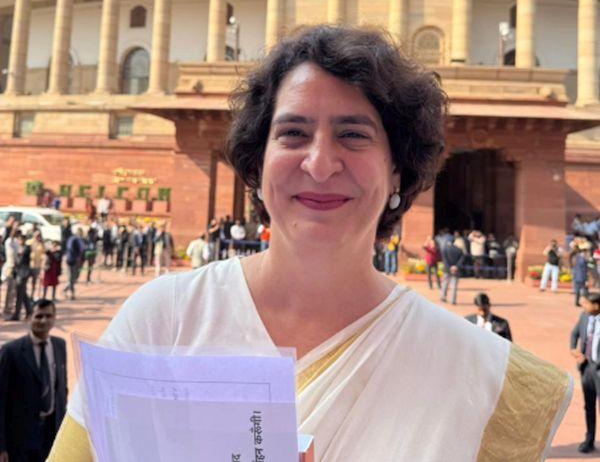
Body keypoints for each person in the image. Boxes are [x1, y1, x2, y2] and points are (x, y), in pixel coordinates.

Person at [50, 25, 571, 461]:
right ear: (256, 166)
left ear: (397, 171)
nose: (320, 163)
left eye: (354, 134)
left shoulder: (482, 380)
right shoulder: (164, 321)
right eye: (293, 134)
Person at [0, 299, 68, 461]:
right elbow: (1, 399)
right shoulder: (11, 351)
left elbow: (61, 388)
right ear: (29, 317)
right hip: (20, 438)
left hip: (51, 433)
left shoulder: (60, 346)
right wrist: (1, 446)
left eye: (48, 316)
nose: (43, 320)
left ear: (54, 318)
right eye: (38, 316)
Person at [571, 293, 600, 453]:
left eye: (587, 304)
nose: (584, 306)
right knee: (589, 406)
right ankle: (589, 439)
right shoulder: (584, 316)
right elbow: (574, 333)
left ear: (596, 305)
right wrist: (574, 349)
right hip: (586, 369)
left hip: (599, 368)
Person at [6, 233, 32, 321]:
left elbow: (22, 259)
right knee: (23, 293)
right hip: (18, 272)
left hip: (23, 273)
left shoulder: (27, 248)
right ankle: (29, 311)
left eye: (21, 239)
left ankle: (17, 314)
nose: (20, 241)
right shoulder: (18, 248)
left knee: (19, 294)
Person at [440, 236, 465, 305]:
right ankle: (453, 300)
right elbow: (461, 259)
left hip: (447, 269)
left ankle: (443, 297)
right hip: (456, 270)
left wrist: (450, 267)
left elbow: (445, 260)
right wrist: (456, 266)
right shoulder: (459, 249)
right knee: (454, 285)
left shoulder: (444, 249)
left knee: (445, 283)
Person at [64, 227, 84, 300]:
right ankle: (72, 293)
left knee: (74, 278)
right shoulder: (73, 239)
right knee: (71, 278)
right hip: (71, 261)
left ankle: (65, 289)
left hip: (76, 261)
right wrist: (76, 255)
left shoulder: (80, 240)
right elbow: (70, 248)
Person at [28, 227, 46, 300]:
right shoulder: (29, 242)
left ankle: (33, 295)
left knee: (35, 281)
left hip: (37, 265)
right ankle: (28, 295)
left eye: (39, 235)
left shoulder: (41, 244)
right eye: (36, 235)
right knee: (28, 281)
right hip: (30, 265)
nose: (37, 236)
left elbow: (43, 254)